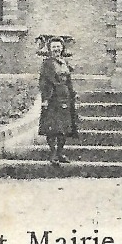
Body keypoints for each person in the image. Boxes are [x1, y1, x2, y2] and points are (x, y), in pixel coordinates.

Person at [37, 36, 77, 168]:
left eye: (58, 47)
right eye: (54, 47)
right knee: (52, 128)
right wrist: (45, 99)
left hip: (65, 97)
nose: (56, 49)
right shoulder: (47, 63)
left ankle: (60, 152)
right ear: (49, 49)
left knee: (64, 128)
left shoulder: (64, 62)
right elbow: (44, 83)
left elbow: (68, 80)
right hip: (53, 98)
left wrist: (72, 94)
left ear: (62, 49)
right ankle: (53, 153)